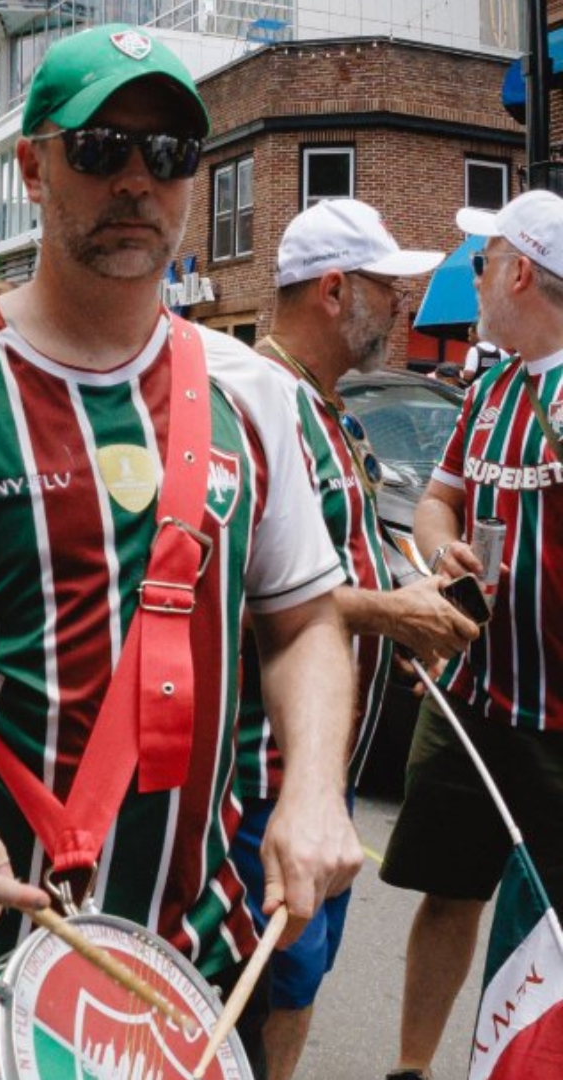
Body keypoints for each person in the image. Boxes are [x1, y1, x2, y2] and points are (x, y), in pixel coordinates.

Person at [0, 27, 361, 1068]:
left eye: (171, 157)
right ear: (32, 165)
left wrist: (315, 790)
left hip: (186, 950)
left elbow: (305, 620)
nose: (138, 181)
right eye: (100, 149)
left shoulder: (257, 394)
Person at [237, 199, 476, 1080]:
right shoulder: (258, 400)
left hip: (320, 774)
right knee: (274, 983)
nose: (404, 309)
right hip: (260, 770)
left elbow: (344, 566)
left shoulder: (328, 411)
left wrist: (411, 600)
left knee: (298, 982)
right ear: (336, 292)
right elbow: (240, 591)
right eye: (387, 287)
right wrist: (391, 614)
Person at [382, 190, 563, 1080]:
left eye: (485, 260)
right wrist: (435, 544)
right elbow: (438, 496)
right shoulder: (490, 384)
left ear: (520, 271)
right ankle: (412, 1070)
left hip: (559, 721)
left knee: (553, 927)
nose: (476, 275)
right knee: (447, 895)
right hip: (470, 699)